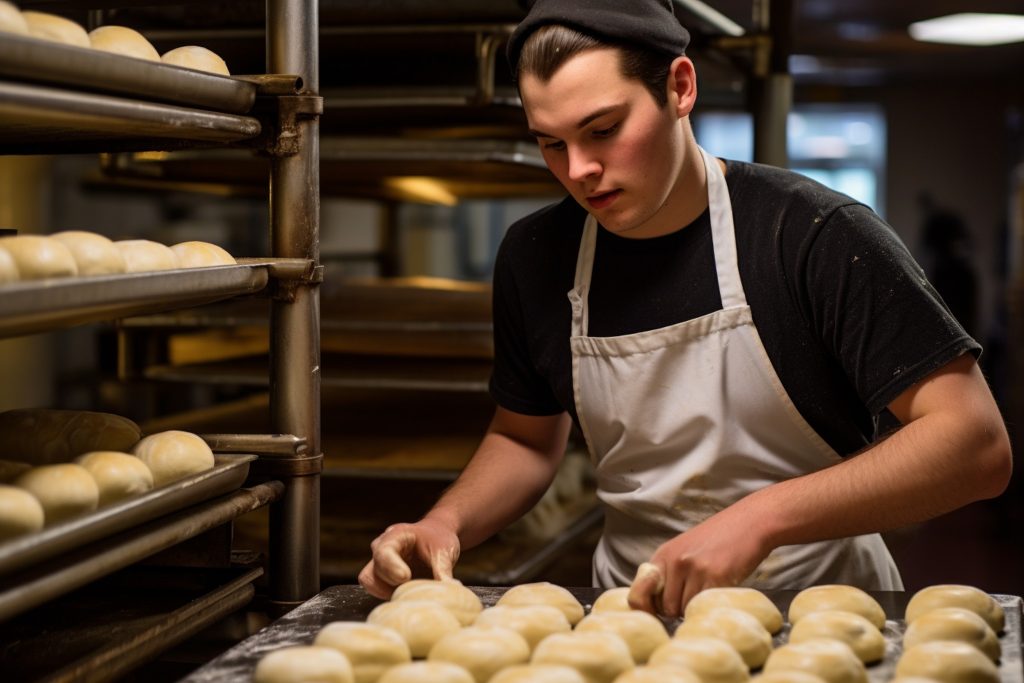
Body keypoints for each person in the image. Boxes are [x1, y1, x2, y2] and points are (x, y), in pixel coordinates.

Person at [359, 0, 1012, 617]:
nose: (579, 169)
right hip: (636, 621)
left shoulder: (812, 234)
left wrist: (760, 518)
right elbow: (524, 439)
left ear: (679, 87)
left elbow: (974, 442)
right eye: (551, 143)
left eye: (604, 129)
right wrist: (445, 522)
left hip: (823, 610)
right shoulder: (538, 256)